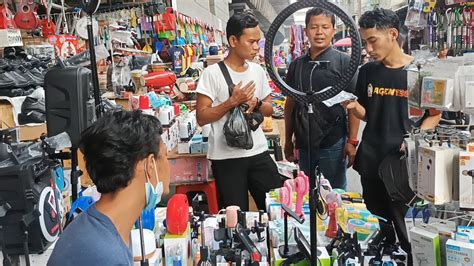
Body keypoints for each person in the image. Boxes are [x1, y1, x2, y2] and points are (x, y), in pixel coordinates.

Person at [342, 8, 441, 261]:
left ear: (393, 34)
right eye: (365, 42)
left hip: (403, 166)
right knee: (377, 221)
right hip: (371, 158)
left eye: (372, 40)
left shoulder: (419, 72)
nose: (368, 48)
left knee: (408, 231)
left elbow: (433, 115)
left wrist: (414, 139)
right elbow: (368, 113)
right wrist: (355, 108)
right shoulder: (367, 72)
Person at [48, 110, 170, 265]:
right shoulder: (106, 254)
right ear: (149, 165)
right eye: (165, 155)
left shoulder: (96, 229)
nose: (168, 164)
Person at [196, 10, 282, 211]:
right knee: (236, 218)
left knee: (275, 209)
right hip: (226, 159)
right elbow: (201, 117)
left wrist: (257, 102)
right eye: (251, 42)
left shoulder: (258, 71)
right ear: (233, 41)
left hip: (258, 151)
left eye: (257, 42)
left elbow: (270, 109)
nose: (255, 47)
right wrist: (231, 102)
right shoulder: (212, 74)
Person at [284, 7, 357, 190]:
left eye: (325, 27)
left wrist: (352, 141)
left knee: (335, 195)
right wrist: (288, 139)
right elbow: (290, 105)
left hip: (333, 142)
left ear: (333, 29)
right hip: (304, 142)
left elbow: (354, 105)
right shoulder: (296, 65)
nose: (319, 32)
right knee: (307, 192)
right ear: (306, 30)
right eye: (314, 27)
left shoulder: (345, 62)